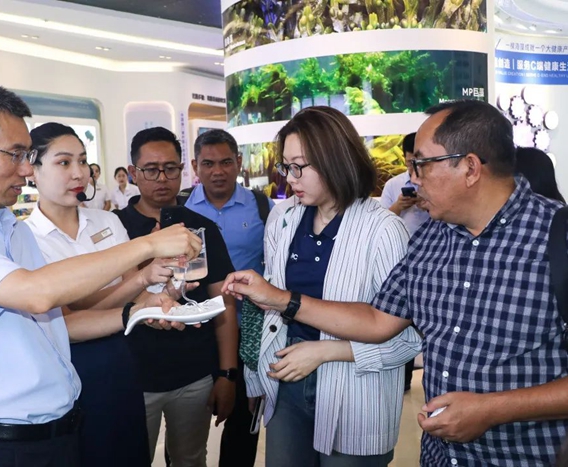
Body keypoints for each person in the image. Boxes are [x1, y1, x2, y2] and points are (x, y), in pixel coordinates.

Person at [223, 100, 568, 466]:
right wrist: (280, 301)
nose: (411, 179)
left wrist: (491, 409)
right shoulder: (431, 240)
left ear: (470, 168)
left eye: (421, 164)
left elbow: (403, 340)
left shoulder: (557, 237)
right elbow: (378, 320)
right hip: (441, 455)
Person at [0, 83, 202, 467]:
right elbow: (36, 293)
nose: (26, 169)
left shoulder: (13, 230)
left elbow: (56, 322)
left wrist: (137, 312)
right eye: (15, 154)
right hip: (5, 446)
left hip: (61, 431)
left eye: (27, 155)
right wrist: (147, 246)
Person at [224, 106, 420, 466]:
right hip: (284, 380)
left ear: (336, 159)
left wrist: (326, 351)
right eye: (286, 167)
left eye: (300, 167)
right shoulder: (283, 219)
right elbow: (270, 315)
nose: (290, 179)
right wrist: (256, 378)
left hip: (356, 389)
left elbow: (408, 340)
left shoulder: (383, 230)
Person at [26, 122, 186, 467]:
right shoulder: (25, 239)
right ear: (32, 170)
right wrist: (140, 286)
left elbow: (131, 295)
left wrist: (161, 295)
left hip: (121, 354)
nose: (79, 173)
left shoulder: (107, 223)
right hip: (68, 366)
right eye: (64, 162)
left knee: (129, 452)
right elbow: (68, 316)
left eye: (83, 161)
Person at [114, 127, 238, 467]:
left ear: (183, 170)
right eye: (151, 170)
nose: (162, 178)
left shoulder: (200, 227)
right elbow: (104, 299)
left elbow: (224, 303)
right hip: (133, 374)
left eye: (170, 168)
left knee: (191, 458)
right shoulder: (115, 228)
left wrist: (227, 373)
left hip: (194, 372)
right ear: (134, 172)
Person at [182, 129, 273, 467]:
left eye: (225, 162)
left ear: (238, 162)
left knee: (243, 423)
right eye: (208, 164)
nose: (217, 171)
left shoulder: (262, 206)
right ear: (195, 166)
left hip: (249, 330)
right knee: (187, 423)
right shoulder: (180, 207)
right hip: (197, 329)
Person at [379, 133, 428, 391]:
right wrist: (400, 205)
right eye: (410, 163)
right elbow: (381, 221)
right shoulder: (393, 185)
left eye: (418, 163)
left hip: (431, 262)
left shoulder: (434, 184)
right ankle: (404, 379)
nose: (413, 171)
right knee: (400, 321)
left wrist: (426, 204)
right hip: (401, 262)